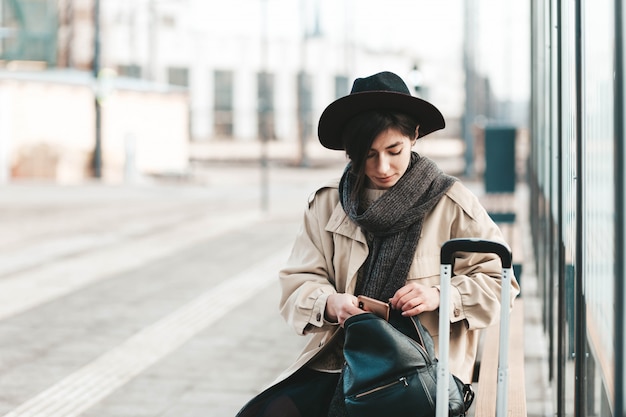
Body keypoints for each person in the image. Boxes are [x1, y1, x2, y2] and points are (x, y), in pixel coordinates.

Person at [236, 71, 520, 417]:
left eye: (393, 150)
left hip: (421, 377)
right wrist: (329, 303)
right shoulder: (328, 202)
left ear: (414, 136)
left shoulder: (451, 203)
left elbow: (500, 283)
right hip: (340, 365)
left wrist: (442, 295)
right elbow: (298, 282)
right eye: (368, 154)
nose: (382, 167)